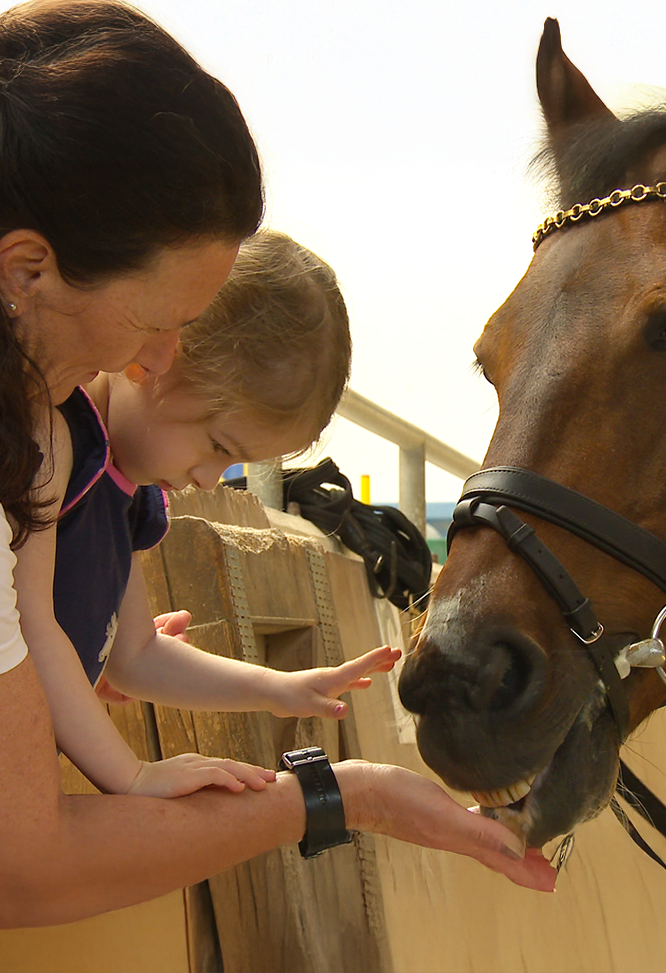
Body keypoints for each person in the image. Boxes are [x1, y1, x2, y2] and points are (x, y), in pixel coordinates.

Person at [0, 0, 555, 936]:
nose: (152, 364)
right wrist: (340, 798)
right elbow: (18, 873)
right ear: (24, 273)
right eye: (158, 325)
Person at [20, 232, 401, 800]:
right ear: (158, 357)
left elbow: (135, 657)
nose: (207, 477)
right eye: (219, 447)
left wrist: (280, 689)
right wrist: (132, 775)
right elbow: (32, 630)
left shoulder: (124, 495)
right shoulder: (54, 442)